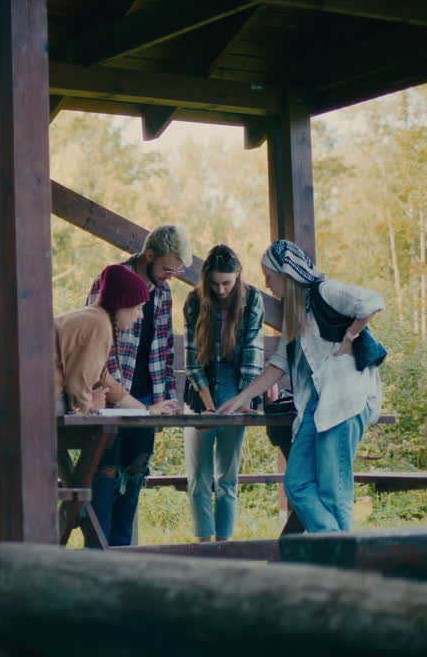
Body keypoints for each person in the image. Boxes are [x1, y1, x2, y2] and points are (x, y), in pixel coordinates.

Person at [217, 240, 385, 533]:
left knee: (334, 493)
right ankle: (337, 546)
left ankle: (339, 557)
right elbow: (279, 363)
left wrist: (350, 337)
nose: (267, 284)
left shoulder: (324, 291)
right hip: (316, 405)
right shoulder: (295, 313)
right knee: (297, 484)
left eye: (269, 276)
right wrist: (242, 397)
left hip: (344, 401)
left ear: (286, 273)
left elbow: (372, 301)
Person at [80, 224, 190, 548]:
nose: (170, 277)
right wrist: (119, 397)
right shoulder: (113, 278)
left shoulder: (164, 291)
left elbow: (165, 348)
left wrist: (167, 399)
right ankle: (99, 553)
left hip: (147, 394)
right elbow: (98, 343)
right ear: (150, 255)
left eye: (175, 272)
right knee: (106, 471)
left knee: (136, 471)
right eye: (167, 269)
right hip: (112, 393)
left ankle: (124, 553)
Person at [182, 245, 266, 542]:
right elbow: (192, 360)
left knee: (227, 477)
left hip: (236, 386)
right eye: (214, 283)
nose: (220, 290)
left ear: (238, 275)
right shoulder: (194, 300)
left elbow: (253, 352)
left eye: (226, 283)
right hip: (200, 389)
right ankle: (205, 546)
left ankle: (224, 544)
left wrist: (242, 400)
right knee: (199, 476)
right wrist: (207, 407)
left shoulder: (252, 299)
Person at [53, 264, 176, 417]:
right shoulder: (99, 324)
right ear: (122, 304)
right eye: (138, 308)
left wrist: (146, 410)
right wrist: (90, 404)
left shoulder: (96, 317)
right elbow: (78, 385)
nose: (141, 315)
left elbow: (103, 378)